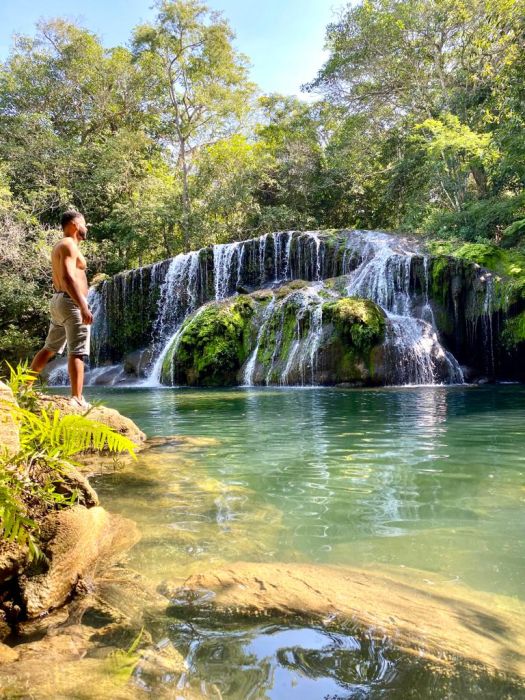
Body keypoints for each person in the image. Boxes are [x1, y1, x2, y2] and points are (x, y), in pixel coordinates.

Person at [30, 210, 93, 408]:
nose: (86, 227)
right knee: (77, 351)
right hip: (70, 302)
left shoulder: (62, 245)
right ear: (74, 224)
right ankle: (77, 398)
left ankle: (24, 386)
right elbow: (67, 277)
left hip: (60, 301)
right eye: (84, 223)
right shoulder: (67, 244)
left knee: (49, 348)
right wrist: (83, 305)